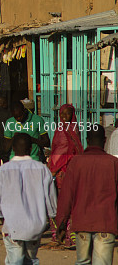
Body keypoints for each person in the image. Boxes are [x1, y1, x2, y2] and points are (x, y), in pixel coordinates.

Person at [55, 124, 118, 265]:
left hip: (82, 222)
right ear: (105, 140)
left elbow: (66, 196)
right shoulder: (113, 163)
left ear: (87, 140)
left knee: (82, 262)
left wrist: (61, 223)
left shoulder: (76, 162)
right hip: (105, 223)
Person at [0, 132, 57, 265]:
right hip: (35, 227)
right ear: (30, 148)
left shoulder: (3, 170)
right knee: (31, 260)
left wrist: (1, 217)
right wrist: (53, 217)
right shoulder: (42, 169)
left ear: (13, 148)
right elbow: (51, 201)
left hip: (12, 227)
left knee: (15, 260)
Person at [47, 103, 83, 249]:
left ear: (72, 115)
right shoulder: (70, 129)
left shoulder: (66, 129)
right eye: (62, 114)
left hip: (63, 172)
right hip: (69, 171)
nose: (64, 116)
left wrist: (52, 170)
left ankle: (60, 235)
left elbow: (61, 151)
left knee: (60, 203)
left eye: (67, 114)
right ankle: (68, 235)